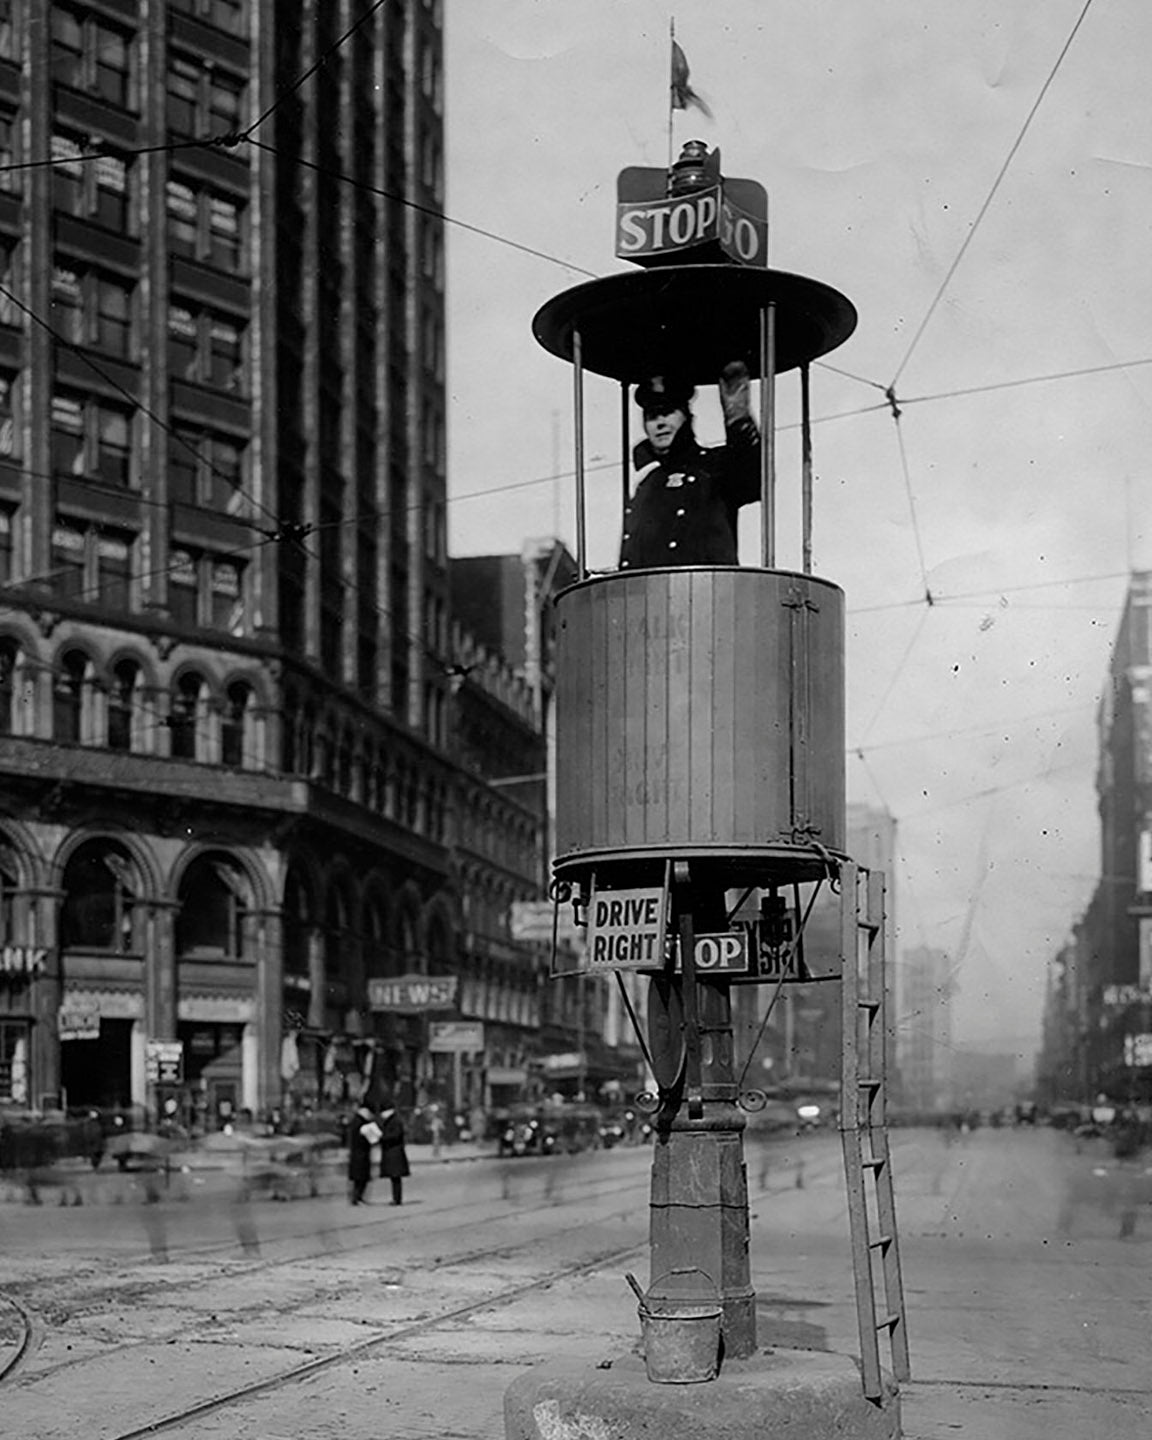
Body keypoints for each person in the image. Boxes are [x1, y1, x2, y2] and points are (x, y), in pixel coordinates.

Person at [619, 362, 760, 572]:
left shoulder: (715, 465)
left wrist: (738, 417)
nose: (660, 423)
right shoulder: (647, 483)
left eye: (668, 412)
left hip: (706, 589)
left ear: (687, 416)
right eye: (652, 416)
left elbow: (753, 480)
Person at [347, 1099, 380, 1206]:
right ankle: (357, 1198)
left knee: (359, 1178)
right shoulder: (361, 1123)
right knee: (361, 1178)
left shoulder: (357, 1121)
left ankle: (357, 1198)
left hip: (358, 1153)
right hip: (361, 1154)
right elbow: (370, 1139)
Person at [378, 1100, 411, 1205]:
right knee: (394, 1177)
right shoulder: (391, 1120)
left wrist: (382, 1137)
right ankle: (396, 1198)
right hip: (392, 1153)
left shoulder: (394, 1121)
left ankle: (397, 1199)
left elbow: (395, 1135)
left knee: (396, 1177)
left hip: (394, 1153)